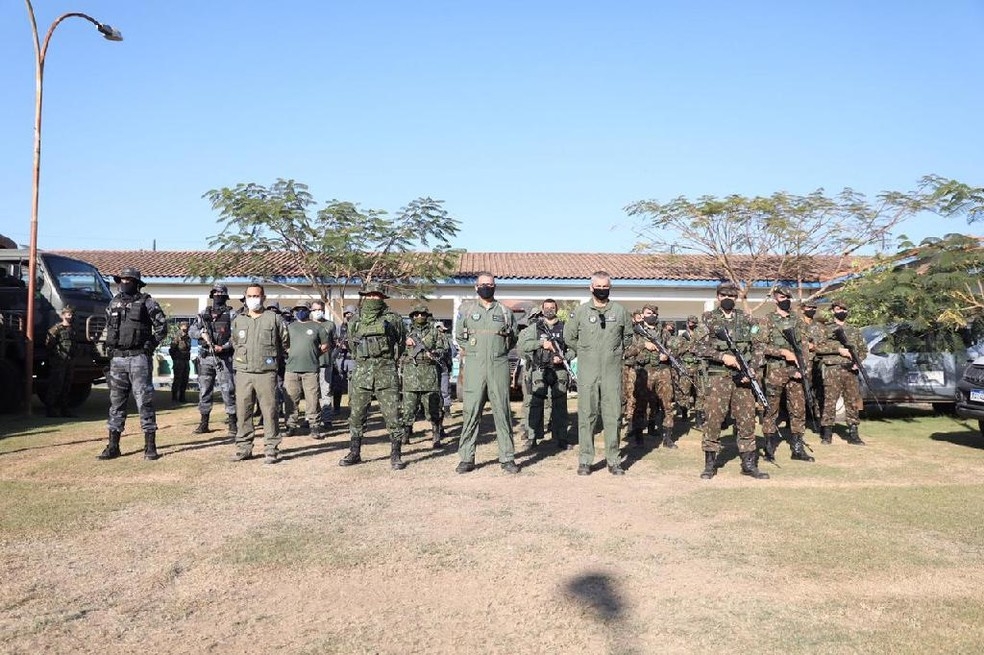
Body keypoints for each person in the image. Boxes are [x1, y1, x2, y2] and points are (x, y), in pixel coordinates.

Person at [692, 282, 769, 480]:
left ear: (736, 298)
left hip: (744, 379)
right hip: (718, 378)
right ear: (718, 297)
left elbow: (759, 346)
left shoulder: (747, 319)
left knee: (747, 419)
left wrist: (752, 369)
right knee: (714, 419)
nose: (728, 299)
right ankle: (710, 464)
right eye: (724, 295)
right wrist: (722, 357)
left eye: (732, 296)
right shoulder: (708, 319)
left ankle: (748, 464)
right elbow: (698, 347)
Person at [564, 271, 633, 476]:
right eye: (598, 287)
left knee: (613, 416)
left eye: (605, 287)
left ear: (610, 288)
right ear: (591, 287)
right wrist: (586, 351)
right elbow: (569, 337)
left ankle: (614, 460)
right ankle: (585, 460)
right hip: (588, 371)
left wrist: (614, 352)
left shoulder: (620, 311)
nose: (602, 290)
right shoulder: (580, 312)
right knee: (587, 416)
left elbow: (628, 337)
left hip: (611, 371)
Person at [97, 268, 167, 461]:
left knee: (144, 401)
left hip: (138, 358)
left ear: (136, 283)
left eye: (128, 280)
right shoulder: (113, 302)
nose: (124, 282)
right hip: (117, 359)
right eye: (122, 279)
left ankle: (150, 447)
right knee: (116, 403)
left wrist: (150, 345)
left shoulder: (147, 302)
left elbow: (162, 327)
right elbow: (107, 327)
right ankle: (113, 446)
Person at [454, 272, 521, 474]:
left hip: (498, 364)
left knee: (502, 411)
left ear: (495, 287)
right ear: (476, 287)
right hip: (475, 365)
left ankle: (507, 458)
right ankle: (466, 458)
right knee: (471, 412)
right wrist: (474, 351)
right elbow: (460, 336)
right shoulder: (466, 310)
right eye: (483, 284)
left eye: (490, 284)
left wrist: (497, 351)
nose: (486, 287)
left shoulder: (505, 311)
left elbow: (513, 338)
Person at [339, 283, 409, 470]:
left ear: (382, 297)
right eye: (368, 295)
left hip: (386, 371)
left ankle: (396, 454)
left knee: (392, 415)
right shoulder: (355, 320)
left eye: (375, 295)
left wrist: (388, 360)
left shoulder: (393, 319)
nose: (371, 299)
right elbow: (352, 345)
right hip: (362, 372)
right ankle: (354, 452)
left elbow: (401, 343)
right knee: (356, 415)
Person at [230, 284, 290, 464]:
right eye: (250, 296)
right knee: (243, 411)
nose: (253, 299)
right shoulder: (238, 320)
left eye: (256, 296)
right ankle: (244, 448)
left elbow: (285, 343)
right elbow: (235, 342)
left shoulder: (274, 319)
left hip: (266, 373)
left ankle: (271, 449)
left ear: (263, 297)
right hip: (244, 372)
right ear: (245, 297)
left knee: (270, 412)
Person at [760, 286, 815, 462]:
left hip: (796, 371)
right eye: (782, 297)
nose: (785, 300)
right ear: (775, 299)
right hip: (775, 370)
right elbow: (760, 346)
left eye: (788, 298)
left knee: (798, 409)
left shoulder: (797, 320)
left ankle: (797, 449)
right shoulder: (767, 320)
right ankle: (769, 448)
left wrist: (803, 369)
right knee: (771, 409)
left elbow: (804, 346)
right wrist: (783, 352)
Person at [518, 298, 573, 450]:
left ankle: (561, 438)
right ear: (542, 310)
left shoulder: (564, 328)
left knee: (560, 406)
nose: (549, 310)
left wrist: (563, 357)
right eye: (546, 308)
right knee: (535, 405)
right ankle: (532, 438)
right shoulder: (535, 328)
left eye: (552, 307)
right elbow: (523, 346)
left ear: (557, 309)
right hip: (539, 371)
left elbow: (574, 348)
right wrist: (541, 343)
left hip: (559, 371)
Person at [627, 305, 684, 449]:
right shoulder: (635, 332)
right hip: (644, 371)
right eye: (648, 313)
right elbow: (627, 351)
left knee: (667, 404)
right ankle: (639, 437)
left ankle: (667, 438)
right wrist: (643, 345)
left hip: (662, 370)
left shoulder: (664, 333)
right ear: (642, 315)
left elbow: (675, 348)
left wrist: (668, 355)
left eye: (654, 313)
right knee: (640, 405)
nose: (651, 315)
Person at [815, 300, 868, 445]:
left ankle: (853, 433)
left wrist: (857, 361)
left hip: (850, 370)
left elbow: (863, 350)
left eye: (844, 309)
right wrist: (838, 350)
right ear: (833, 311)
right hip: (832, 369)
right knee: (830, 401)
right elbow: (818, 347)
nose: (842, 312)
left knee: (852, 401)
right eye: (839, 309)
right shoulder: (825, 329)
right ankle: (827, 433)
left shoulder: (854, 330)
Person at [189, 283, 237, 437]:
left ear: (225, 296)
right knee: (204, 391)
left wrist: (224, 347)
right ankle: (204, 423)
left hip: (224, 358)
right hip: (206, 357)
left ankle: (233, 422)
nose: (217, 296)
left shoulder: (232, 314)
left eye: (220, 293)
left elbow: (237, 336)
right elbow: (192, 330)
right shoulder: (204, 314)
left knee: (228, 390)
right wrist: (201, 334)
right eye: (215, 293)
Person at [400, 303, 450, 449]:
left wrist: (434, 353)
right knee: (408, 408)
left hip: (429, 374)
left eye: (423, 314)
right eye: (416, 314)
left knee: (433, 407)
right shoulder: (406, 332)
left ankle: (436, 436)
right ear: (412, 316)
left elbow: (444, 348)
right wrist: (404, 343)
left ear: (427, 316)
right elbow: (396, 349)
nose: (420, 316)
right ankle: (405, 435)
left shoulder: (435, 332)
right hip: (411, 374)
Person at [284, 302, 332, 439]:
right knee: (291, 399)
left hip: (311, 369)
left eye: (303, 309)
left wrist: (314, 354)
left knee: (312, 399)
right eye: (297, 309)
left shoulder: (317, 327)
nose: (300, 311)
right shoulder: (290, 327)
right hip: (292, 369)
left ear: (308, 310)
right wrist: (292, 352)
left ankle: (314, 426)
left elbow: (325, 345)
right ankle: (290, 426)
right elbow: (285, 344)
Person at [44, 305, 76, 418]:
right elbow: (49, 344)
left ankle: (64, 409)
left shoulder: (72, 329)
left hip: (69, 361)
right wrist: (55, 356)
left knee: (66, 386)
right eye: (68, 314)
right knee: (56, 385)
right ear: (63, 315)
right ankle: (50, 408)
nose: (70, 316)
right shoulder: (56, 329)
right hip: (59, 361)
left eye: (71, 314)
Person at [309, 300, 337, 427]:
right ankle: (310, 418)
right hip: (309, 363)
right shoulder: (307, 324)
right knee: (311, 392)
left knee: (325, 391)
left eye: (320, 309)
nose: (317, 312)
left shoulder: (330, 325)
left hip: (325, 363)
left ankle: (327, 419)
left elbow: (334, 342)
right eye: (315, 309)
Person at [677, 315, 705, 428]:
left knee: (700, 393)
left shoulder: (700, 336)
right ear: (687, 323)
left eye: (694, 323)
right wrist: (688, 347)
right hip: (686, 368)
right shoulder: (682, 337)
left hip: (699, 368)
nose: (692, 325)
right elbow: (676, 351)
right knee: (685, 392)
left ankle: (698, 419)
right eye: (691, 322)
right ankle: (684, 413)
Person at [330, 305, 356, 416]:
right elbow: (332, 340)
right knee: (337, 385)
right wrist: (337, 343)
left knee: (354, 386)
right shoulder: (338, 328)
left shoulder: (358, 328)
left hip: (353, 359)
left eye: (350, 314)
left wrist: (350, 344)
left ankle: (354, 408)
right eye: (346, 314)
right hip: (339, 359)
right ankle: (336, 408)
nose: (348, 316)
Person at [168, 320, 192, 404]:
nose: (186, 328)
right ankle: (174, 397)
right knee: (177, 379)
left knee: (185, 379)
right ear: (181, 327)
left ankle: (182, 397)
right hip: (179, 360)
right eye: (185, 327)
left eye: (187, 327)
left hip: (186, 360)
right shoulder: (177, 336)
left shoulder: (188, 336)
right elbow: (171, 349)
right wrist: (175, 359)